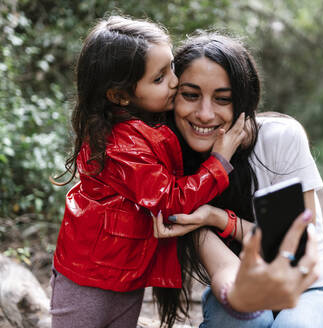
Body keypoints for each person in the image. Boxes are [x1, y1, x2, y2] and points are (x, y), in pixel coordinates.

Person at [49, 17, 247, 328]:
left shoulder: (147, 126)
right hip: (89, 279)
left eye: (171, 68)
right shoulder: (121, 145)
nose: (174, 81)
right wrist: (219, 161)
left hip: (123, 273)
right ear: (119, 96)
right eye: (159, 78)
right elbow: (171, 199)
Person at [153, 33, 323, 327]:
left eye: (222, 99)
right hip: (236, 289)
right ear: (172, 98)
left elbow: (295, 251)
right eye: (191, 95)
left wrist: (219, 219)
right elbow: (223, 270)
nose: (205, 114)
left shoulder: (280, 138)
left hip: (309, 290)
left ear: (244, 101)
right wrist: (242, 299)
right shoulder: (171, 169)